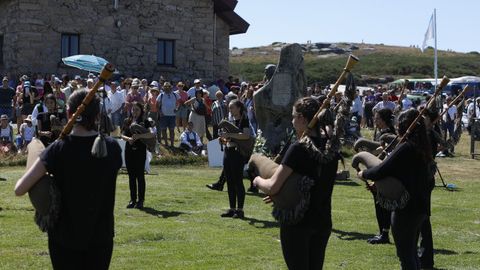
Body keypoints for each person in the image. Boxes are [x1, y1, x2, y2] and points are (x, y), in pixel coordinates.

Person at [14, 89, 122, 270]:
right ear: (97, 115)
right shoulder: (112, 148)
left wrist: (42, 155)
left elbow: (20, 188)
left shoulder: (58, 150)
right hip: (101, 238)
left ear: (69, 113)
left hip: (64, 238)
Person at [253, 97, 339, 269]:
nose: (292, 121)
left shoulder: (298, 148)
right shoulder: (330, 149)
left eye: (293, 116)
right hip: (322, 221)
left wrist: (257, 180)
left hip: (298, 223)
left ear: (302, 118)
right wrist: (284, 194)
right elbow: (313, 182)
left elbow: (272, 186)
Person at [358, 108, 433, 270]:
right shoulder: (423, 148)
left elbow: (381, 170)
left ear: (403, 126)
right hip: (420, 208)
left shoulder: (406, 147)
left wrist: (363, 173)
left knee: (406, 256)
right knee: (411, 253)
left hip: (406, 209)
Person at [219, 99, 252, 219]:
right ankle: (232, 209)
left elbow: (246, 135)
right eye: (229, 108)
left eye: (232, 107)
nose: (230, 110)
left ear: (239, 108)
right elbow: (231, 138)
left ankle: (240, 210)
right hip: (228, 151)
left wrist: (229, 135)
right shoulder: (231, 121)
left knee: (238, 181)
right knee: (230, 181)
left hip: (237, 154)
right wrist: (224, 139)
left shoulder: (244, 120)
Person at [121, 102, 155, 209]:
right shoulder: (127, 121)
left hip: (140, 151)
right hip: (129, 150)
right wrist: (129, 139)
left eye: (137, 110)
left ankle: (141, 200)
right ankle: (132, 200)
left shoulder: (145, 122)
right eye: (133, 109)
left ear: (141, 111)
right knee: (131, 176)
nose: (135, 112)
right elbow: (122, 134)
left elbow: (151, 134)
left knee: (140, 176)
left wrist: (139, 136)